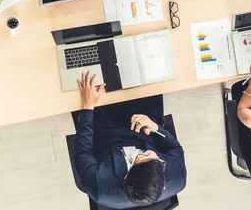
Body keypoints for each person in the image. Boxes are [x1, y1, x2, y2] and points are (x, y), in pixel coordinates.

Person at [73, 72, 187, 208]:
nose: (150, 153)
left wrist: (88, 105)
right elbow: (175, 148)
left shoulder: (100, 187)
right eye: (158, 160)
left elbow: (82, 151)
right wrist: (155, 127)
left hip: (103, 135)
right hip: (144, 126)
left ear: (126, 176)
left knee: (83, 84)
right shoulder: (177, 177)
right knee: (148, 77)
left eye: (142, 157)